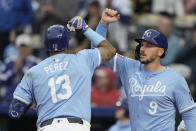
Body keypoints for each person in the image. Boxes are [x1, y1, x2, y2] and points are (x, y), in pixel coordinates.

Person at [8, 10, 118, 131]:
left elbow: (14, 112)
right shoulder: (83, 58)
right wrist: (85, 28)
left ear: (46, 46)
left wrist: (34, 102)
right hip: (77, 127)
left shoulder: (33, 71)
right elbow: (110, 50)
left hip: (48, 127)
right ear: (68, 44)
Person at [92, 9, 196, 131]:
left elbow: (189, 113)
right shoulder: (128, 67)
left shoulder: (175, 79)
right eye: (142, 44)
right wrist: (103, 23)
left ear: (160, 51)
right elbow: (98, 52)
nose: (142, 49)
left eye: (149, 46)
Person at [0, 34, 41, 102]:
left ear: (30, 48)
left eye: (26, 47)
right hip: (9, 99)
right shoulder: (10, 61)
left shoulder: (37, 62)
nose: (23, 49)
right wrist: (14, 71)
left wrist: (25, 71)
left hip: (29, 101)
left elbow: (38, 81)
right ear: (17, 47)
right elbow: (2, 79)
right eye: (21, 47)